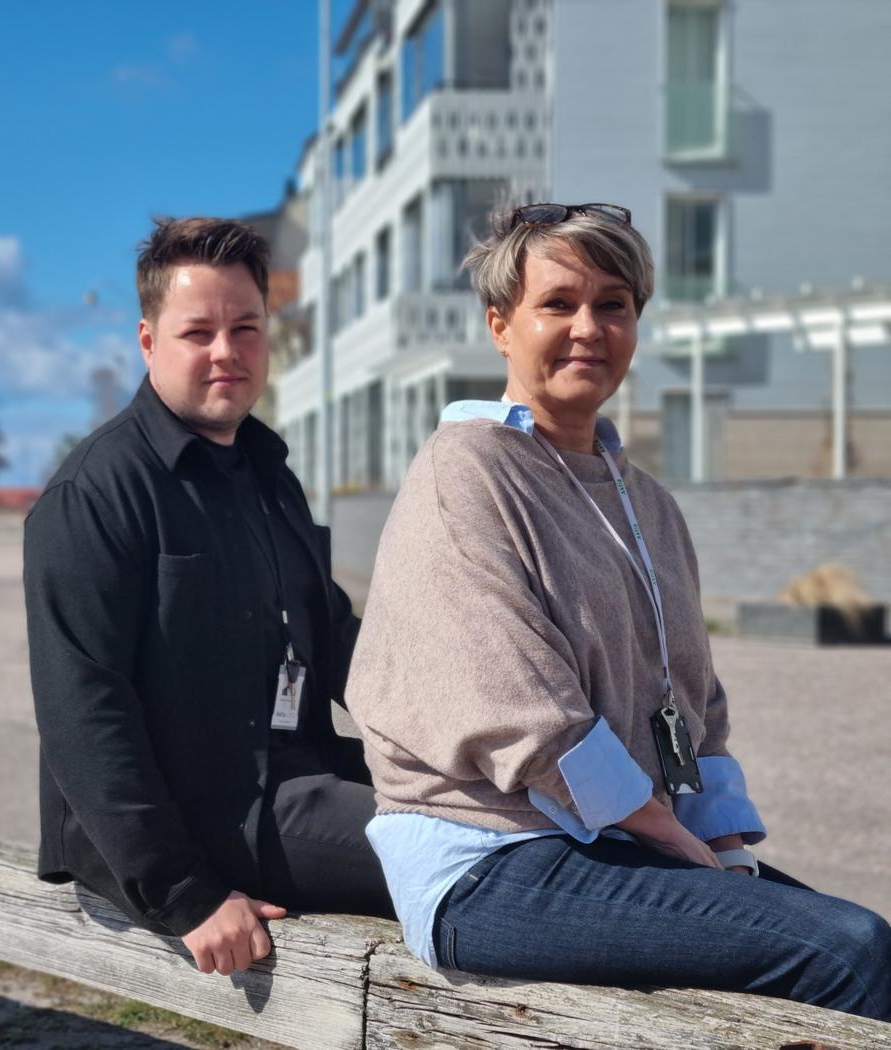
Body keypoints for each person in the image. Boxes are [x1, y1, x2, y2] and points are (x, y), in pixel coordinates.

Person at [346, 203, 891, 1020]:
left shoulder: (649, 503)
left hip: (616, 845)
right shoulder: (465, 474)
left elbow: (695, 705)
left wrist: (729, 850)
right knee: (847, 953)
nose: (588, 328)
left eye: (614, 305)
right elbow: (515, 712)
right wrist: (673, 839)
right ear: (500, 325)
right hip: (489, 858)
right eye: (557, 304)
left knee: (855, 943)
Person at [24, 217, 393, 978]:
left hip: (296, 775)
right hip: (204, 817)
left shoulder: (268, 474)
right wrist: (185, 895)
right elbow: (82, 712)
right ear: (148, 340)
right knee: (461, 851)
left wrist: (467, 746)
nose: (226, 351)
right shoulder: (95, 493)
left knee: (493, 811)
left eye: (245, 328)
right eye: (199, 332)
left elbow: (336, 639)